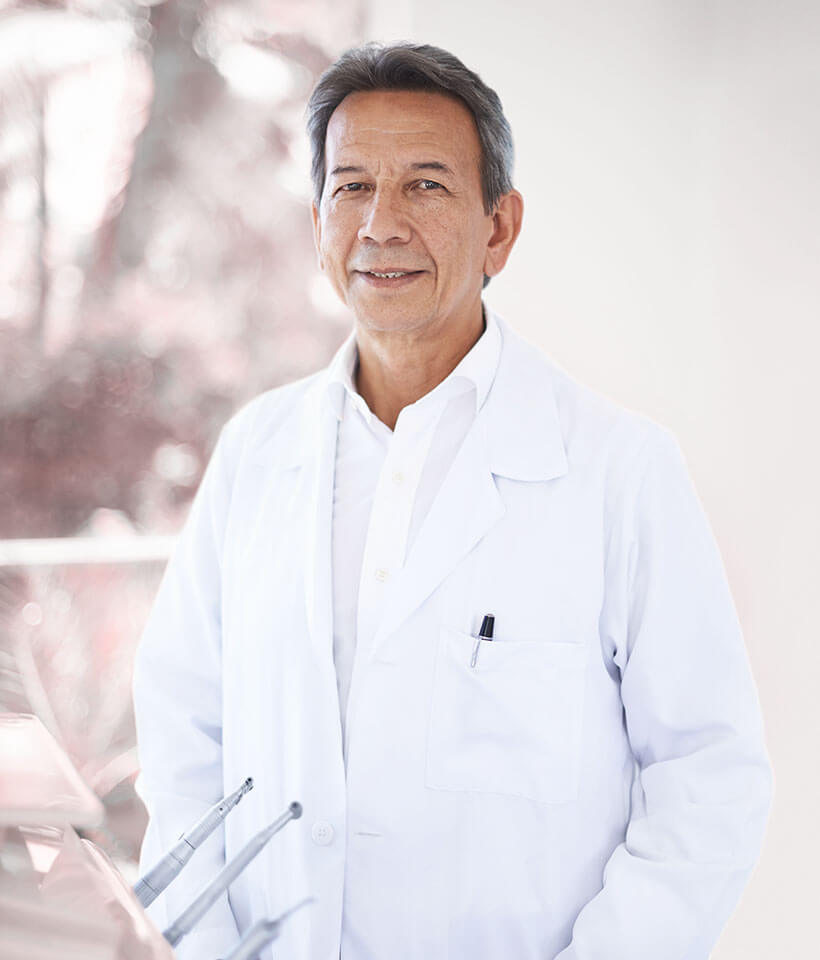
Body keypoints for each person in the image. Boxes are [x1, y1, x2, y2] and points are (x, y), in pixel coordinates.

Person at [133, 42, 772, 960]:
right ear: (317, 223)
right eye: (352, 187)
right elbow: (184, 740)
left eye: (425, 186)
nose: (381, 224)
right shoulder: (256, 456)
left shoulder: (619, 470)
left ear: (499, 228)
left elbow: (707, 777)